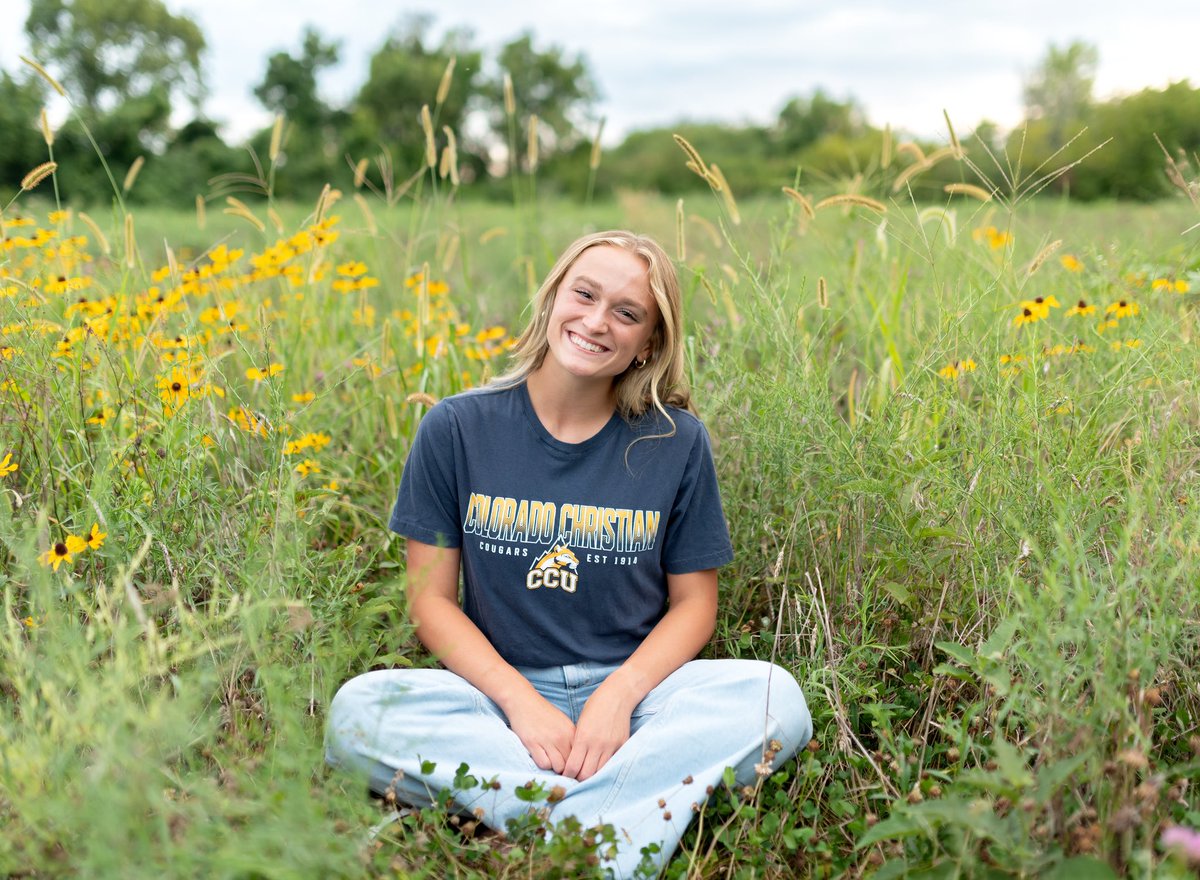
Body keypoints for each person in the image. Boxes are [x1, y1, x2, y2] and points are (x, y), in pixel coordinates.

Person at [325, 230, 812, 878]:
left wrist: (618, 696)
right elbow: (430, 602)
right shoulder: (457, 427)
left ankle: (548, 816)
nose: (596, 321)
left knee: (775, 699)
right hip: (497, 703)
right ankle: (610, 823)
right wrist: (523, 705)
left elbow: (694, 606)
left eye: (627, 312)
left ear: (651, 343)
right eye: (584, 294)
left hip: (640, 701)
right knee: (357, 713)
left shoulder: (674, 441)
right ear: (553, 297)